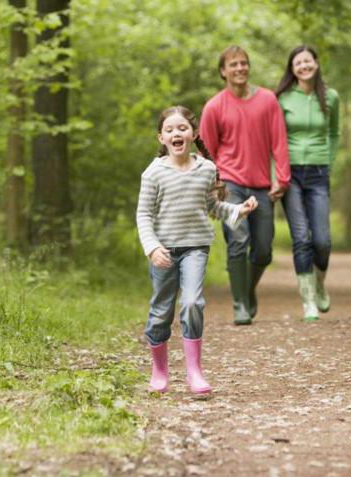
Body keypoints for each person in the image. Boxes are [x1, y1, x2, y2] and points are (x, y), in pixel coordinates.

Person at [136, 105, 258, 394]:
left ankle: (194, 372)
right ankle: (160, 371)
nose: (176, 133)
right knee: (161, 312)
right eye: (169, 130)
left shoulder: (206, 168)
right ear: (161, 138)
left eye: (182, 128)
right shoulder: (153, 173)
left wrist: (238, 210)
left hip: (196, 248)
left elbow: (212, 206)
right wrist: (152, 248)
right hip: (163, 251)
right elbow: (143, 215)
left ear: (192, 134)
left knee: (192, 303)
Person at [200, 45, 291, 326]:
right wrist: (212, 187)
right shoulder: (215, 106)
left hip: (262, 185)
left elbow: (279, 140)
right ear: (223, 72)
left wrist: (282, 178)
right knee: (239, 241)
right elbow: (206, 152)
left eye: (243, 63)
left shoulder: (267, 100)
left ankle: (247, 290)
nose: (240, 68)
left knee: (263, 249)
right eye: (233, 64)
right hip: (230, 185)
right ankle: (239, 304)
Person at [275, 45, 340, 322]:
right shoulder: (282, 98)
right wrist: (276, 174)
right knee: (301, 238)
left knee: (322, 241)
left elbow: (334, 133)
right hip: (290, 174)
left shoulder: (331, 97)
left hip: (318, 172)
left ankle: (320, 284)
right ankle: (308, 301)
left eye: (308, 61)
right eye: (298, 63)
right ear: (292, 69)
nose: (303, 66)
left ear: (316, 63)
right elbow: (274, 138)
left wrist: (328, 161)